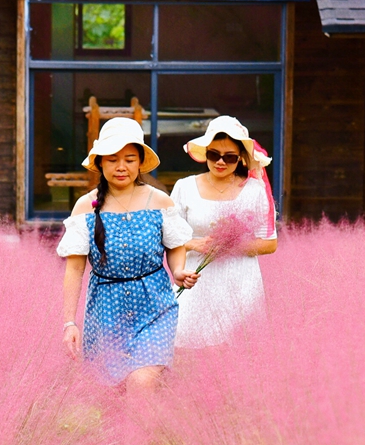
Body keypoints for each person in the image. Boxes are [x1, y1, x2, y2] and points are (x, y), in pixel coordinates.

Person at [58, 117, 198, 386]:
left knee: (141, 382)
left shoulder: (158, 201)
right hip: (106, 312)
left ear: (140, 163)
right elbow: (74, 269)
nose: (121, 167)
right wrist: (69, 323)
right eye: (112, 159)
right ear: (100, 162)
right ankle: (149, 428)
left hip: (155, 308)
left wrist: (178, 270)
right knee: (113, 394)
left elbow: (175, 246)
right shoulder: (85, 207)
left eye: (129, 159)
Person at [171, 115, 278, 348]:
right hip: (195, 280)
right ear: (205, 153)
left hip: (240, 283)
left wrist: (231, 245)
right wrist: (194, 244)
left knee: (239, 350)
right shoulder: (184, 187)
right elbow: (167, 233)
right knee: (185, 345)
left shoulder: (255, 191)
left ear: (240, 158)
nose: (220, 162)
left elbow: (269, 243)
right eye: (213, 155)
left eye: (229, 157)